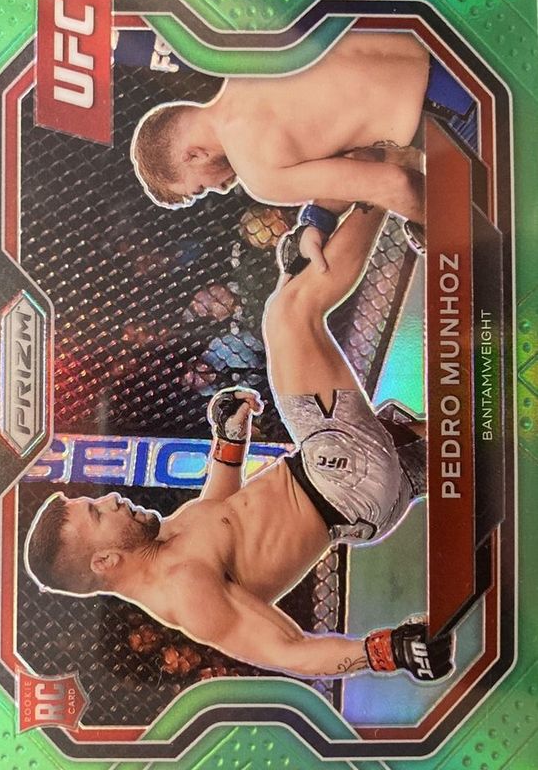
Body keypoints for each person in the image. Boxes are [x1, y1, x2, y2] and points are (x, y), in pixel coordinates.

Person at [25, 203, 452, 682]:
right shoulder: (185, 592)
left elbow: (221, 511)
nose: (110, 499)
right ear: (104, 560)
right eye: (97, 513)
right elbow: (289, 651)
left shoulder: (167, 546)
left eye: (96, 500)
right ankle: (384, 190)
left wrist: (229, 440)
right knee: (288, 316)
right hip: (337, 478)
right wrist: (387, 652)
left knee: (462, 443)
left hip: (362, 498)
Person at [131, 31, 429, 269]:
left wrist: (442, 234)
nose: (219, 189)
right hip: (429, 36)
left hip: (438, 112)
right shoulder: (244, 59)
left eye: (201, 189)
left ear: (194, 155)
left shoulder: (257, 172)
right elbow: (359, 158)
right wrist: (318, 220)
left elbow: (394, 184)